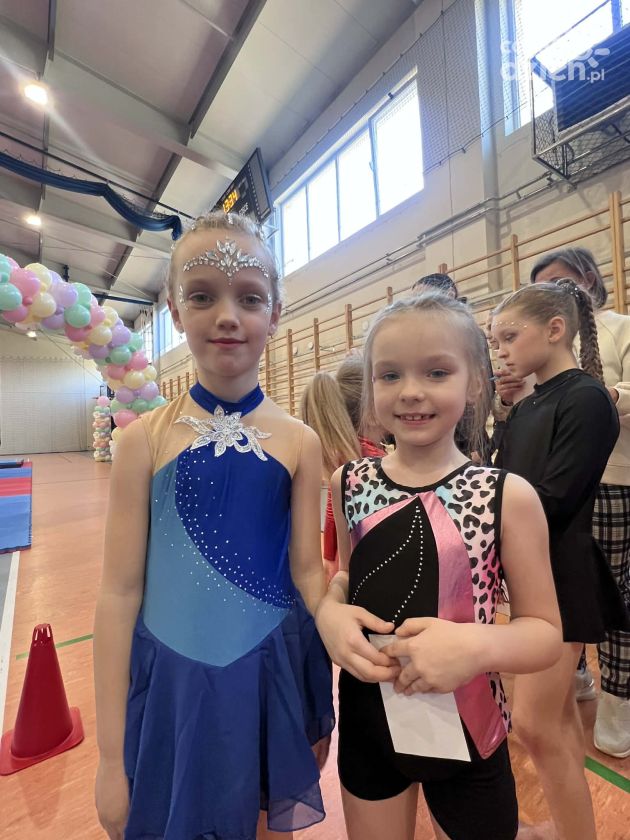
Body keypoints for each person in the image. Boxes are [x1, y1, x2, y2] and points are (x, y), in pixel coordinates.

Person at [93, 211, 334, 840]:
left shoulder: (301, 442)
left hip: (270, 674)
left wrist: (338, 625)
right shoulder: (141, 442)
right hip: (173, 686)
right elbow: (118, 593)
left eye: (249, 298)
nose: (227, 316)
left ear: (275, 313)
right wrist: (109, 759)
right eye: (202, 297)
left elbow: (308, 572)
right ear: (176, 311)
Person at [316, 292, 562, 840]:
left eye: (436, 372)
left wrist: (474, 646)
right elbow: (348, 577)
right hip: (369, 719)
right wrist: (329, 611)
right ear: (371, 385)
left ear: (474, 382)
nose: (410, 391)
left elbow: (545, 634)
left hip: (470, 730)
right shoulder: (349, 483)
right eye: (390, 375)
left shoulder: (504, 495)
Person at [492, 280, 628, 840]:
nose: (501, 351)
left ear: (555, 330)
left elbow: (554, 497)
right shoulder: (530, 401)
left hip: (563, 574)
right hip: (534, 571)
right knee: (560, 722)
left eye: (509, 337)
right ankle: (573, 828)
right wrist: (505, 411)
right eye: (496, 342)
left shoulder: (587, 398)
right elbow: (501, 474)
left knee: (533, 722)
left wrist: (486, 526)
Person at [530, 247, 630, 752]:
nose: (553, 295)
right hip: (556, 486)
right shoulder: (543, 343)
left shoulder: (620, 328)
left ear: (588, 279)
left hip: (613, 480)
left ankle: (618, 700)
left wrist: (603, 397)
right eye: (541, 289)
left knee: (615, 595)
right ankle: (578, 674)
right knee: (562, 588)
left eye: (560, 282)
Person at [300, 354, 385, 580]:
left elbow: (331, 511)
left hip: (345, 567)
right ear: (372, 412)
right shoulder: (373, 464)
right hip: (364, 572)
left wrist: (329, 558)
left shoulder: (351, 456)